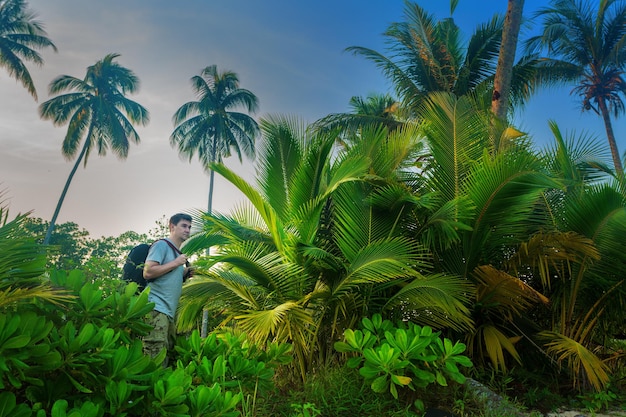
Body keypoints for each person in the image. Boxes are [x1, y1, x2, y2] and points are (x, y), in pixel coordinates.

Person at [142, 212, 193, 366]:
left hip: (168, 313)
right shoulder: (162, 245)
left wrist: (185, 272)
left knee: (166, 357)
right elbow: (148, 271)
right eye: (183, 226)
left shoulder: (178, 254)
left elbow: (167, 276)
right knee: (154, 359)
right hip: (156, 308)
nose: (187, 230)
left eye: (189, 227)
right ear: (172, 226)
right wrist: (177, 263)